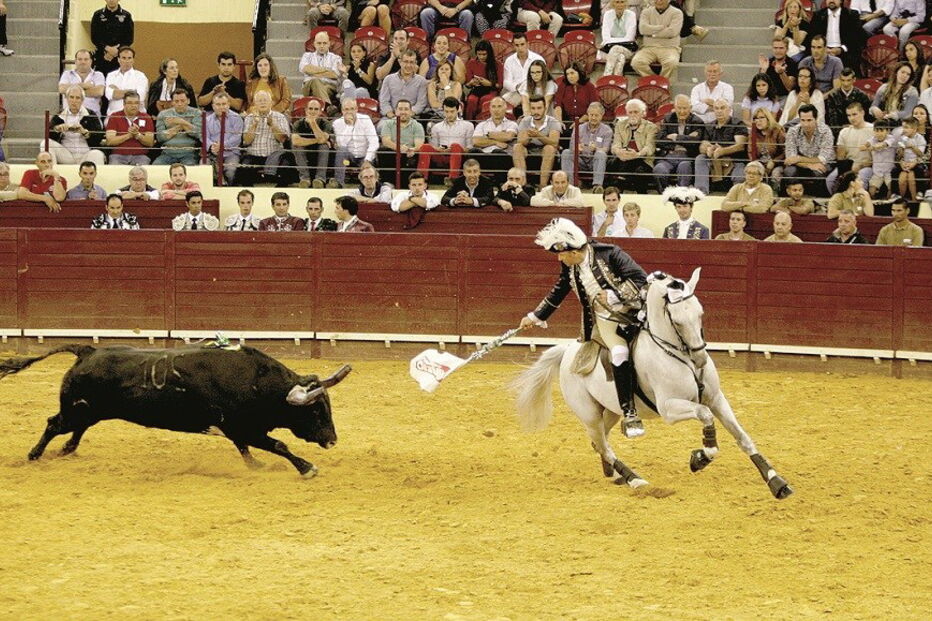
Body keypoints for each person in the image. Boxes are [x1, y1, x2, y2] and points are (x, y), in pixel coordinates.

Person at [519, 217, 649, 436]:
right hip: (605, 320)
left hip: (635, 312)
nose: (559, 258)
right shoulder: (570, 264)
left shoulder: (610, 253)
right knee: (618, 351)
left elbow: (640, 278)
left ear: (573, 251)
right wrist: (535, 316)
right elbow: (561, 288)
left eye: (561, 253)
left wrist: (615, 295)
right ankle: (629, 412)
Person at [694, 99, 748, 194]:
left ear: (729, 109)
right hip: (714, 159)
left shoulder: (738, 124)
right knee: (700, 158)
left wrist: (723, 151)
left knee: (739, 176)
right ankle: (701, 192)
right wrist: (707, 149)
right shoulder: (709, 125)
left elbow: (740, 146)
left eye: (722, 108)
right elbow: (703, 144)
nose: (719, 111)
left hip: (735, 160)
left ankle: (736, 196)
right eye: (716, 108)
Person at [653, 94, 704, 192]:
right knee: (659, 170)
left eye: (685, 108)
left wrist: (676, 137)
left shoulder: (697, 121)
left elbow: (695, 142)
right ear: (674, 108)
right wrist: (684, 141)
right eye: (679, 108)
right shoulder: (668, 118)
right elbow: (660, 140)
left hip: (686, 157)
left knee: (684, 168)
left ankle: (682, 197)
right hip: (668, 156)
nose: (682, 111)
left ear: (690, 108)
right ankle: (664, 195)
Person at [239, 91, 291, 186]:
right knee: (243, 170)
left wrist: (273, 125)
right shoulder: (249, 118)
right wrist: (254, 125)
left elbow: (283, 139)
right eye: (259, 101)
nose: (262, 103)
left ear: (271, 103)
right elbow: (246, 141)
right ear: (255, 104)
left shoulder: (280, 117)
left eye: (265, 100)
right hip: (254, 155)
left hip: (274, 154)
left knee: (286, 168)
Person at [46, 85, 106, 167]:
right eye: (71, 97)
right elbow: (49, 134)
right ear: (66, 99)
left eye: (77, 98)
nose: (74, 101)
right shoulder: (59, 115)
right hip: (67, 156)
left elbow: (98, 138)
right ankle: (52, 174)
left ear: (82, 100)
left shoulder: (90, 114)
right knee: (45, 143)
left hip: (85, 155)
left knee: (98, 154)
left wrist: (85, 132)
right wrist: (57, 129)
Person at [782, 104, 835, 196]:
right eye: (803, 120)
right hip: (802, 165)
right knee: (789, 171)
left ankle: (818, 201)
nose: (806, 124)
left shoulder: (825, 131)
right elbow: (790, 159)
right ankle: (791, 200)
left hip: (824, 164)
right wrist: (808, 165)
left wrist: (798, 158)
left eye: (809, 120)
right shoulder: (793, 131)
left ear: (816, 118)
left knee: (818, 172)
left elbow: (822, 158)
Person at [561, 101, 613, 193]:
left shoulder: (607, 130)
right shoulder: (579, 128)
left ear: (602, 115)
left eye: (596, 115)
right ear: (588, 115)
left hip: (596, 161)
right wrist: (577, 149)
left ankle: (597, 186)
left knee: (600, 154)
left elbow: (606, 149)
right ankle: (569, 185)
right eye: (591, 115)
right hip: (581, 160)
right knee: (566, 152)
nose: (593, 118)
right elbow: (571, 147)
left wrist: (596, 148)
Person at [418, 97, 473, 181]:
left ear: (458, 110)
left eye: (452, 111)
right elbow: (434, 147)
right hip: (442, 155)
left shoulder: (468, 125)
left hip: (459, 156)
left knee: (455, 146)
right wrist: (440, 149)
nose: (449, 114)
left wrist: (455, 149)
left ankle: (452, 179)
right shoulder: (436, 127)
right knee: (425, 147)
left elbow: (470, 148)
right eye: (446, 111)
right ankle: (421, 180)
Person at [610, 98, 658, 193]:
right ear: (626, 113)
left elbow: (649, 148)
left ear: (643, 113)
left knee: (637, 170)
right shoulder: (620, 125)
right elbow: (615, 145)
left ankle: (629, 192)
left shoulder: (651, 127)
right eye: (630, 112)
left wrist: (637, 154)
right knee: (613, 164)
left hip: (643, 160)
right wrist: (619, 152)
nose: (632, 115)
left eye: (636, 112)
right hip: (623, 158)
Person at [826, 100, 873, 193]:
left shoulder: (872, 130)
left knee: (861, 178)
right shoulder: (844, 132)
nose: (851, 118)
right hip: (848, 165)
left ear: (862, 113)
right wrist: (847, 169)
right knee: (830, 180)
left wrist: (860, 166)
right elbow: (841, 157)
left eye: (854, 114)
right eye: (849, 115)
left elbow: (877, 158)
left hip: (867, 166)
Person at [806, 0, 867, 71]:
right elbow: (811, 37)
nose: (831, 1)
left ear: (841, 1)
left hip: (845, 53)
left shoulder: (851, 15)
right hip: (822, 52)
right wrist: (823, 49)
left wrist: (841, 49)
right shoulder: (818, 15)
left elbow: (858, 38)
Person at [514, 95, 561, 186]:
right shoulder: (525, 121)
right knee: (517, 147)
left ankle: (542, 186)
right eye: (533, 108)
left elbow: (554, 142)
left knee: (549, 148)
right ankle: (523, 185)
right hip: (529, 151)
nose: (536, 111)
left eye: (539, 108)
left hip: (547, 152)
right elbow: (520, 141)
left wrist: (538, 135)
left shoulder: (553, 121)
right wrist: (528, 136)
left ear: (545, 108)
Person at [332, 98, 380, 186]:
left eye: (352, 109)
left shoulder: (365, 119)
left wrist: (367, 159)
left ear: (356, 109)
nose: (349, 112)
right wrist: (349, 126)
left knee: (370, 164)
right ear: (342, 111)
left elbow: (374, 141)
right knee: (341, 150)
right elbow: (341, 144)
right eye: (346, 109)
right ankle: (339, 184)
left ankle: (370, 187)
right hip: (348, 158)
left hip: (365, 156)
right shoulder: (337, 123)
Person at [471, 96, 518, 182]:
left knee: (497, 152)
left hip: (502, 157)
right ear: (490, 109)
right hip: (485, 156)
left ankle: (500, 184)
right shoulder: (482, 125)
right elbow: (476, 141)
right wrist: (495, 142)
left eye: (499, 106)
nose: (496, 110)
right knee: (473, 152)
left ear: (505, 108)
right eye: (493, 106)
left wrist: (489, 135)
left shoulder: (512, 124)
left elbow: (508, 136)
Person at [631, 0, 683, 78]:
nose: (659, 1)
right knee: (636, 62)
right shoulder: (646, 12)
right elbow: (642, 30)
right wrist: (662, 27)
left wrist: (651, 34)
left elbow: (672, 32)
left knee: (672, 63)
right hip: (648, 47)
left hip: (670, 48)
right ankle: (654, 80)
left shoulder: (677, 13)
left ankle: (662, 83)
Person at [291, 97, 334, 189]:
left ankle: (320, 179)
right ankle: (305, 179)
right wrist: (317, 140)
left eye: (316, 109)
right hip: (304, 155)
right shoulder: (298, 123)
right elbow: (295, 141)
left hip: (321, 156)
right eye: (310, 108)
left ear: (320, 112)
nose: (313, 111)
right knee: (297, 147)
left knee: (324, 146)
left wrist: (313, 123)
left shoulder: (326, 123)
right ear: (306, 110)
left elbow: (323, 140)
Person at [378, 99, 425, 182]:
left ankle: (408, 183)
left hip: (409, 154)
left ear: (411, 112)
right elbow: (385, 141)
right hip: (393, 153)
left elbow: (419, 144)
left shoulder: (417, 125)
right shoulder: (388, 124)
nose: (403, 112)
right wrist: (400, 148)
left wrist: (410, 150)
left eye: (406, 109)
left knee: (416, 155)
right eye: (400, 109)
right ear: (396, 111)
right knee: (383, 150)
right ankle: (387, 182)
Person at [104, 90, 154, 165]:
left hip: (140, 156)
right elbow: (110, 141)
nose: (134, 106)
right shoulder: (114, 116)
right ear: (124, 104)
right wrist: (129, 135)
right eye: (130, 103)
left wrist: (138, 135)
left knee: (142, 172)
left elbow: (150, 142)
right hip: (118, 156)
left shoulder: (146, 117)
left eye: (136, 103)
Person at [204, 92, 244, 185]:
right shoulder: (207, 120)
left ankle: (229, 190)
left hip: (231, 153)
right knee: (204, 166)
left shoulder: (236, 118)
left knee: (230, 171)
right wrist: (212, 147)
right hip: (212, 153)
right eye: (218, 104)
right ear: (213, 106)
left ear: (229, 105)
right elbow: (204, 137)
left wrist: (222, 145)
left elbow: (237, 138)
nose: (221, 107)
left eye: (224, 104)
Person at [153, 89, 202, 165]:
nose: (179, 104)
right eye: (176, 101)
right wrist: (182, 126)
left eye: (182, 101)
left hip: (189, 154)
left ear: (188, 101)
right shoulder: (163, 114)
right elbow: (160, 137)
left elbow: (198, 134)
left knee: (190, 168)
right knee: (156, 166)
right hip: (167, 153)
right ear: (172, 102)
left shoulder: (196, 113)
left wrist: (181, 121)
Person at [379, 50, 428, 118]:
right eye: (405, 62)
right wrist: (392, 115)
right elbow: (384, 102)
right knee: (381, 126)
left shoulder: (421, 81)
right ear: (400, 62)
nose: (408, 65)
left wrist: (408, 114)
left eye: (411, 62)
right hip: (391, 116)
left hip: (412, 117)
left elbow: (421, 103)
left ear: (415, 63)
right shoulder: (388, 79)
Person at [825, 68, 874, 137]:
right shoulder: (833, 96)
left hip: (859, 130)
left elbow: (867, 117)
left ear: (854, 80)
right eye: (843, 80)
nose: (846, 84)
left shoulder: (862, 95)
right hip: (839, 132)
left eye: (848, 80)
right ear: (840, 80)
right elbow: (832, 119)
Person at [90, 0, 133, 77]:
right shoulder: (98, 15)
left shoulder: (126, 16)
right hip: (102, 57)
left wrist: (117, 51)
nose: (111, 0)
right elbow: (94, 37)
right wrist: (106, 48)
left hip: (119, 58)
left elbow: (129, 38)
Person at [501, 33, 544, 107]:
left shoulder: (538, 59)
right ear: (513, 46)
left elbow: (544, 79)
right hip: (516, 92)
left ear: (527, 44)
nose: (520, 48)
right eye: (517, 45)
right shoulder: (509, 60)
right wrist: (517, 88)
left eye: (522, 44)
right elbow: (506, 82)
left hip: (534, 92)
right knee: (500, 103)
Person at [299, 31, 345, 101]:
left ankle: (327, 106)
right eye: (319, 43)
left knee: (317, 83)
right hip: (308, 87)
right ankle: (328, 106)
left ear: (329, 44)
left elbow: (334, 74)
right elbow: (305, 68)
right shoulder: (307, 56)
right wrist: (327, 70)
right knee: (315, 81)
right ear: (314, 44)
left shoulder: (336, 58)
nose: (322, 46)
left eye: (324, 43)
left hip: (329, 87)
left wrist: (313, 72)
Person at [58, 49, 105, 115]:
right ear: (75, 61)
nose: (83, 62)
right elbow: (62, 89)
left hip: (92, 117)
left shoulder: (98, 75)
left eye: (86, 59)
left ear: (91, 61)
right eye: (80, 59)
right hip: (69, 117)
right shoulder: (67, 74)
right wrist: (85, 85)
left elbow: (99, 91)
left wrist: (73, 92)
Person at [464, 40, 502, 122]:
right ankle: (469, 123)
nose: (481, 57)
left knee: (485, 100)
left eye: (484, 54)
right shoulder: (471, 63)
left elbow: (500, 85)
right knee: (471, 100)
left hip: (491, 90)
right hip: (476, 90)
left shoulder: (497, 64)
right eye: (479, 54)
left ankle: (481, 123)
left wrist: (489, 84)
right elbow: (467, 84)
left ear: (489, 53)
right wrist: (471, 83)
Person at [104, 46, 148, 115]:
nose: (127, 61)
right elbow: (108, 94)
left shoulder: (141, 76)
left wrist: (117, 91)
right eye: (124, 58)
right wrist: (132, 92)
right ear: (118, 59)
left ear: (133, 60)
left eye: (129, 58)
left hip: (135, 116)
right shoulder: (111, 75)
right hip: (113, 116)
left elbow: (140, 97)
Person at [748, 108, 785, 188]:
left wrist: (774, 161)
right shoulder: (753, 132)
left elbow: (785, 152)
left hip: (777, 164)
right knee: (751, 173)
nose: (758, 121)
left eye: (761, 117)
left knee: (776, 174)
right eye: (756, 118)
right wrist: (757, 165)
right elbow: (751, 152)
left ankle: (774, 196)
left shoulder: (777, 130)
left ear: (768, 119)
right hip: (760, 163)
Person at [601, 0, 639, 76]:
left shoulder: (631, 15)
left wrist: (612, 41)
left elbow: (630, 38)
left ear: (626, 3)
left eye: (622, 2)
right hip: (608, 50)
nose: (620, 5)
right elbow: (605, 38)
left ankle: (606, 76)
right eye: (617, 2)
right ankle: (617, 79)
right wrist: (619, 41)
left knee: (615, 48)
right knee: (621, 57)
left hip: (628, 49)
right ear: (613, 4)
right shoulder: (607, 14)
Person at [690, 60, 734, 124]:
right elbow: (694, 107)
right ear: (705, 73)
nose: (712, 74)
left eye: (715, 71)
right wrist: (717, 106)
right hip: (700, 124)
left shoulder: (728, 88)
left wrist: (708, 103)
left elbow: (727, 106)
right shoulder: (696, 89)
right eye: (709, 71)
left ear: (720, 73)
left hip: (721, 124)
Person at [553, 63, 597, 127]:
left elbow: (593, 108)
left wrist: (578, 122)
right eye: (567, 74)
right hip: (566, 121)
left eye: (572, 73)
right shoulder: (563, 85)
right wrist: (559, 121)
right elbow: (557, 105)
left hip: (585, 121)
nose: (570, 76)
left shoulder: (589, 87)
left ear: (579, 73)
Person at [864, 118, 897, 198]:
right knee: (871, 189)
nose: (879, 134)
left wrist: (873, 147)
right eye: (876, 131)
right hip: (877, 171)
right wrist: (866, 146)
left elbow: (882, 145)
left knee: (890, 188)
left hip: (889, 171)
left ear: (887, 131)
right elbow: (865, 145)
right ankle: (873, 205)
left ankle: (889, 204)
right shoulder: (873, 139)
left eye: (881, 131)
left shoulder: (891, 139)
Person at [897, 116, 927, 201]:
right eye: (903, 127)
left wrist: (912, 147)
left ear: (914, 129)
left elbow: (921, 154)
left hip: (916, 163)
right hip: (904, 163)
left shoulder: (920, 139)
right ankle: (901, 200)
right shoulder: (902, 138)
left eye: (906, 127)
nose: (904, 130)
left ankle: (915, 199)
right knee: (901, 179)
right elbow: (899, 156)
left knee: (911, 178)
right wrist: (901, 150)